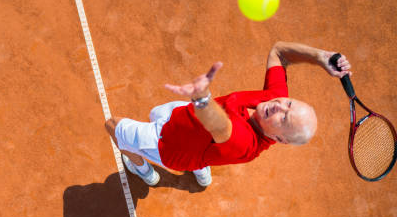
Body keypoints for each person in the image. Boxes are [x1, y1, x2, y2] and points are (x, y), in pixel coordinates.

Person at [105, 41, 353, 187]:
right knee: (155, 112)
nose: (279, 105)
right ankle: (201, 167)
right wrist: (321, 57)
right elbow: (279, 51)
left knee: (112, 125)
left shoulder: (245, 144)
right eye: (288, 103)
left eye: (284, 118)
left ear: (279, 139)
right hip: (183, 118)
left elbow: (219, 126)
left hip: (167, 145)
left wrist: (202, 97)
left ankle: (142, 169)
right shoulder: (273, 100)